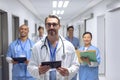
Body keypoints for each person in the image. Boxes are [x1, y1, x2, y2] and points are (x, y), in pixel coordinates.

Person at [27, 15, 80, 80]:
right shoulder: (37, 46)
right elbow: (30, 67)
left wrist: (68, 72)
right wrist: (38, 71)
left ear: (59, 26)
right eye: (48, 24)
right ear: (45, 26)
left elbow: (76, 65)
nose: (51, 27)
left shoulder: (69, 46)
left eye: (54, 24)